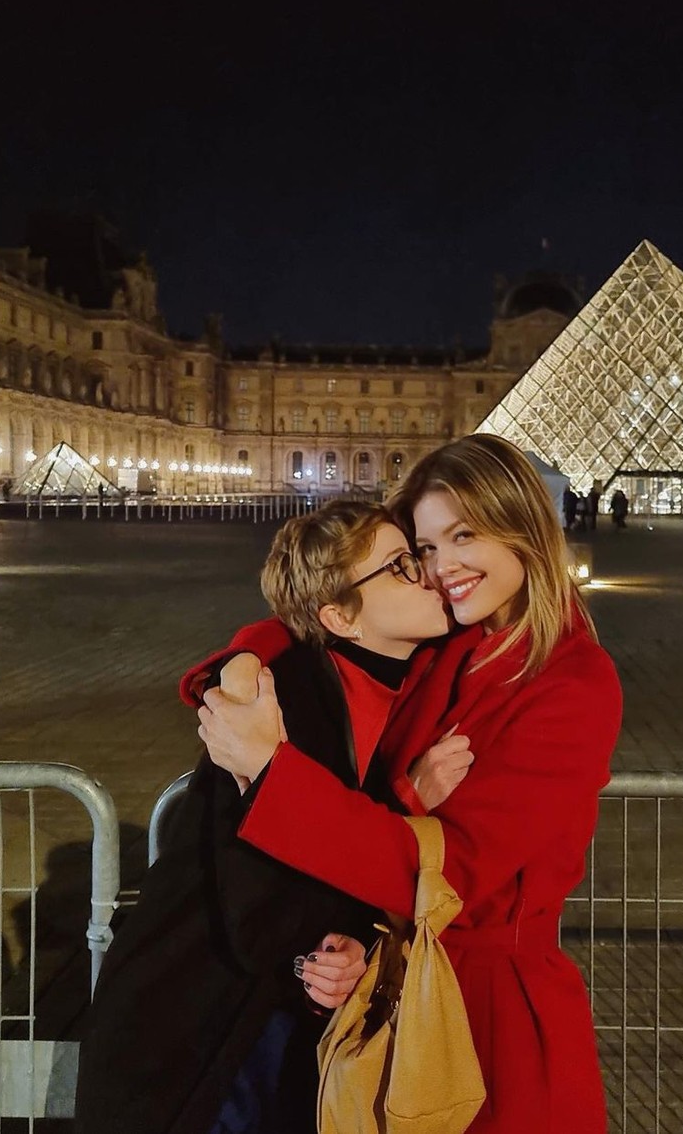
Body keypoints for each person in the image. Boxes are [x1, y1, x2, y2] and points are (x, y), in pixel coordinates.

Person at [197, 434, 623, 1134]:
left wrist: (269, 775)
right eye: (424, 548)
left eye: (463, 535)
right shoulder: (453, 643)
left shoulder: (573, 683)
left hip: (493, 1020)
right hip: (397, 982)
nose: (440, 568)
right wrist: (236, 666)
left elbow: (452, 869)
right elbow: (315, 621)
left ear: (523, 526)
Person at [75, 501, 469, 1134]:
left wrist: (351, 942)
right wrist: (406, 805)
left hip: (258, 1024)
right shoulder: (278, 705)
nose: (430, 573)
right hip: (206, 1037)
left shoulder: (388, 679)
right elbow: (260, 902)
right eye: (402, 565)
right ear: (340, 616)